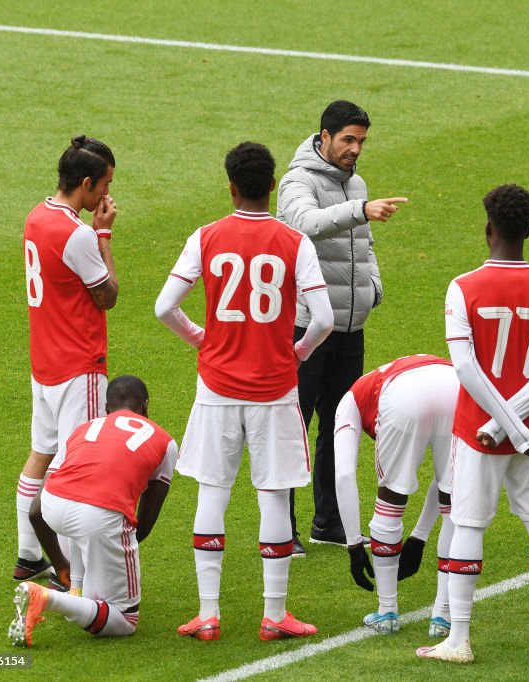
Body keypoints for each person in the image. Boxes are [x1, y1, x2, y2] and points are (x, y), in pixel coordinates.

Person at [155, 141, 334, 641]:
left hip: (216, 386)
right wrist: (296, 354)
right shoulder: (295, 242)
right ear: (273, 186)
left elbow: (164, 307)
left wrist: (203, 340)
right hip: (274, 389)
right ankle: (274, 615)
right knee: (274, 496)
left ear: (231, 186)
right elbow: (323, 319)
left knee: (213, 490)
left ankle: (208, 614)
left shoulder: (206, 236)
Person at [417, 184, 529, 664]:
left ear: (489, 230)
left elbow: (466, 369)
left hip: (476, 431)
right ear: (528, 231)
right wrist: (520, 423)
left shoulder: (462, 287)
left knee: (467, 525)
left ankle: (459, 639)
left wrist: (500, 422)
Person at [277, 100, 408, 552]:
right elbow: (304, 224)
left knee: (339, 425)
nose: (355, 150)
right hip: (306, 328)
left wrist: (372, 287)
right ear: (325, 136)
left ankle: (327, 522)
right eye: (348, 140)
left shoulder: (358, 184)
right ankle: (283, 529)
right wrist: (360, 210)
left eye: (362, 142)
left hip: (350, 327)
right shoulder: (298, 182)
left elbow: (363, 247)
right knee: (295, 426)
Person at [16, 135, 119, 582]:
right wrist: (104, 235)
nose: (107, 195)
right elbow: (107, 295)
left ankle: (27, 553)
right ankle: (73, 569)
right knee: (78, 464)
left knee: (41, 454)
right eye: (104, 185)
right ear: (85, 182)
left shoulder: (36, 217)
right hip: (79, 365)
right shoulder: (76, 234)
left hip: (45, 362)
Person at [9, 376, 176, 647]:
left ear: (106, 409)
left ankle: (75, 587)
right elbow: (143, 524)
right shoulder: (165, 441)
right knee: (124, 619)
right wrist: (113, 554)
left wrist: (60, 564)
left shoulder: (83, 429)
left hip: (53, 505)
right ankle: (48, 598)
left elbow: (35, 511)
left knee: (80, 513)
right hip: (99, 516)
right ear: (146, 406)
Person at [333, 354, 458, 636]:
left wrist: (354, 545)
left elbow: (343, 475)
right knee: (454, 499)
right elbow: (443, 480)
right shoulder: (391, 372)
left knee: (391, 498)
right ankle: (443, 616)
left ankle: (387, 611)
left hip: (403, 396)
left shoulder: (348, 402)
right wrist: (419, 537)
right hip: (456, 386)